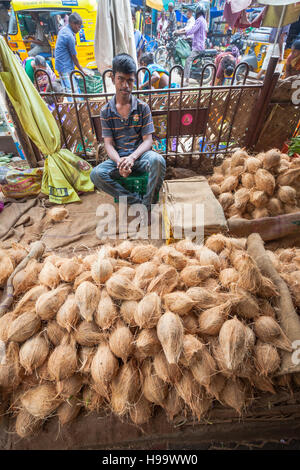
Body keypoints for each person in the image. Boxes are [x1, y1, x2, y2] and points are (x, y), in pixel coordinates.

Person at [90, 53, 166, 213]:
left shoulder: (142, 107)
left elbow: (148, 141)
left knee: (158, 161)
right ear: (112, 78)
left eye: (130, 80)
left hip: (140, 158)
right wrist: (119, 162)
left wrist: (132, 158)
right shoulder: (106, 111)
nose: (125, 85)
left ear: (134, 81)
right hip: (119, 161)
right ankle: (136, 202)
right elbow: (108, 144)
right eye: (121, 79)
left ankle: (147, 206)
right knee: (96, 174)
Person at [54, 12, 88, 96]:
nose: (79, 29)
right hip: (64, 66)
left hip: (61, 64)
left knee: (69, 88)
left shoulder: (64, 29)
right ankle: (74, 107)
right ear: (72, 24)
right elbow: (74, 57)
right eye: (78, 26)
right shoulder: (69, 36)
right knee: (71, 91)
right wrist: (82, 71)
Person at [183, 6, 208, 87]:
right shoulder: (203, 20)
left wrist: (184, 33)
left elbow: (193, 30)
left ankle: (186, 80)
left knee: (188, 60)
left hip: (198, 46)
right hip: (200, 44)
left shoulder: (199, 20)